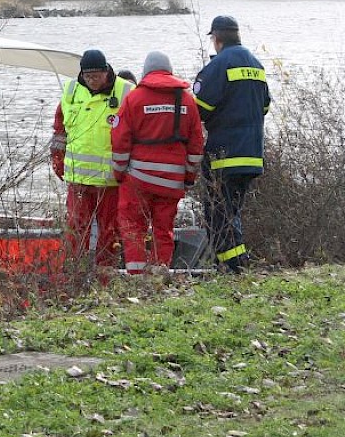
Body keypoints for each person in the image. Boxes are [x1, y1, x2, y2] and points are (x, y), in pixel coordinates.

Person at [111, 51, 204, 273]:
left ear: (145, 72)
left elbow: (120, 141)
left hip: (138, 180)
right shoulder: (187, 100)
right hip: (171, 182)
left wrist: (119, 174)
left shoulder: (134, 98)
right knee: (164, 230)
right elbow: (196, 146)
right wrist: (188, 178)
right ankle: (160, 274)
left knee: (134, 228)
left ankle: (136, 276)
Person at [192, 16, 271, 272]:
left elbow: (200, 109)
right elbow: (265, 106)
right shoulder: (256, 65)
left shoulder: (219, 66)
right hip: (252, 154)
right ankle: (235, 263)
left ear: (217, 39)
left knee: (218, 214)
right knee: (231, 211)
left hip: (224, 154)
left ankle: (232, 267)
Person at [50, 49, 134, 273]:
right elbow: (60, 129)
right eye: (88, 77)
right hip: (77, 177)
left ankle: (105, 276)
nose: (93, 81)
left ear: (106, 72)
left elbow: (137, 130)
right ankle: (74, 273)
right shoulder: (70, 91)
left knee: (109, 230)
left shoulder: (127, 91)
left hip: (110, 179)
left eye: (97, 76)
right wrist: (57, 159)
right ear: (82, 75)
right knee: (76, 228)